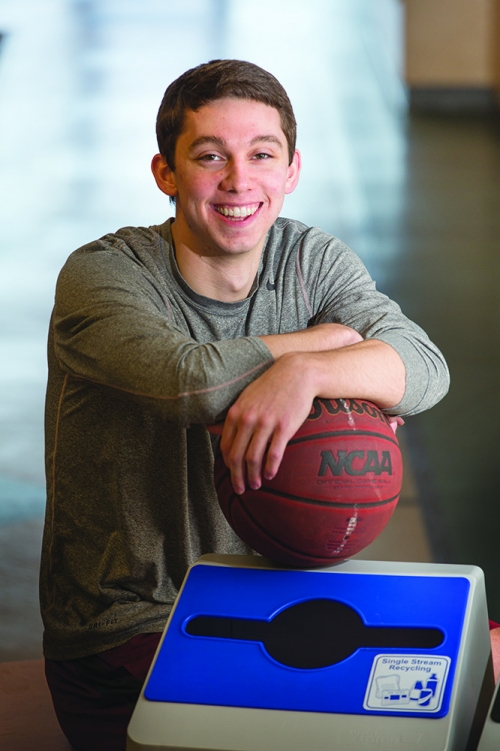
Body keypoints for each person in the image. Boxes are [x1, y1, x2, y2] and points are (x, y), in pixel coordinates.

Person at [40, 59, 450, 750]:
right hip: (132, 621)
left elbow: (424, 367)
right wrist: (324, 350)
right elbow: (186, 384)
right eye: (210, 156)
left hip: (268, 591)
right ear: (166, 173)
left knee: (460, 678)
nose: (239, 180)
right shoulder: (102, 276)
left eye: (263, 154)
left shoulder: (311, 260)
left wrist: (305, 373)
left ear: (292, 170)